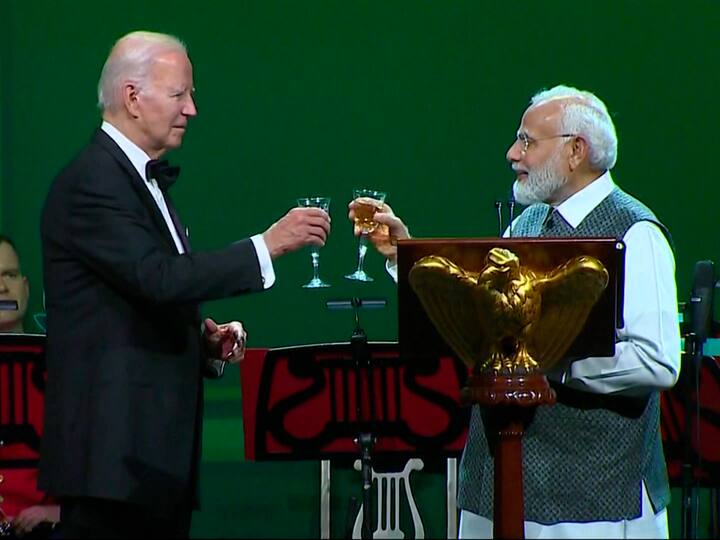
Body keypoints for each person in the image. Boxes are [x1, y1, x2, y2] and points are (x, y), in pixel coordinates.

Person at [349, 85, 680, 539]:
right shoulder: (525, 225)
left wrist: (545, 363)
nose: (512, 153)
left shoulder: (635, 233)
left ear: (575, 151)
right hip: (497, 482)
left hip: (591, 497)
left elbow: (656, 362)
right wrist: (400, 256)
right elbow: (478, 322)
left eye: (527, 141)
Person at [38, 31, 330, 538]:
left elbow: (130, 304)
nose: (191, 109)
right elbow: (158, 277)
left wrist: (202, 344)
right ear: (133, 97)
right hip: (114, 464)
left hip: (146, 465)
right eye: (180, 95)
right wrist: (268, 244)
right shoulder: (92, 182)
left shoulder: (130, 179)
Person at [0, 235, 61, 538]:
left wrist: (60, 512)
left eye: (9, 275)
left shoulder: (65, 367)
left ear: (25, 287)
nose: (2, 288)